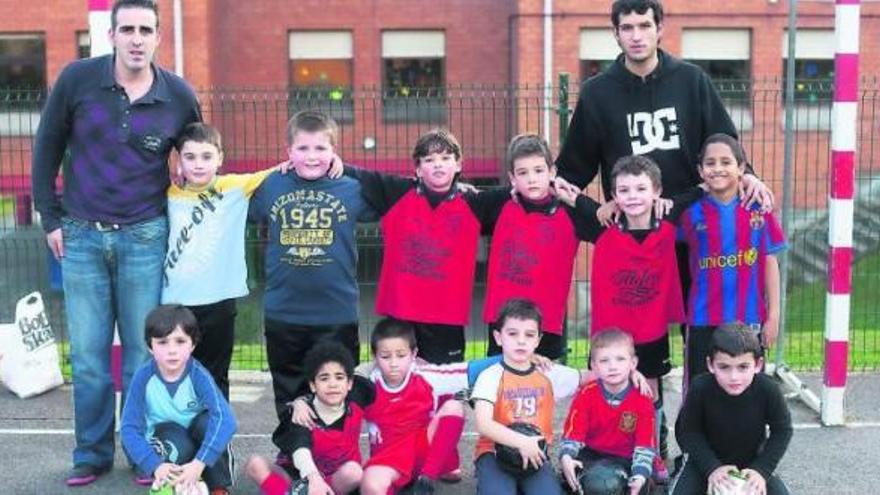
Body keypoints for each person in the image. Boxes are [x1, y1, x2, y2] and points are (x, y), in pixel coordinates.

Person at [30, 0, 201, 485]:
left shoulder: (178, 95)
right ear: (112, 35)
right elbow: (46, 147)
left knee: (142, 359)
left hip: (146, 237)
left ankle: (145, 456)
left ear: (158, 37)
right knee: (87, 358)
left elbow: (197, 155)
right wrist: (50, 218)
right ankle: (91, 453)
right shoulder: (77, 80)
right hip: (81, 235)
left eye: (145, 29)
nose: (136, 38)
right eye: (126, 28)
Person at [555, 154, 701, 480]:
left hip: (651, 330)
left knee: (648, 395)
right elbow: (567, 194)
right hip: (614, 334)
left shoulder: (669, 222)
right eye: (624, 189)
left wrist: (748, 178)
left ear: (657, 192)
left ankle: (654, 454)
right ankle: (606, 447)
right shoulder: (602, 224)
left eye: (640, 188)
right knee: (611, 388)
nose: (632, 196)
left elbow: (699, 190)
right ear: (613, 195)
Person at [247, 110, 377, 465]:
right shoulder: (272, 186)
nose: (311, 156)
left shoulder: (350, 188)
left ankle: (334, 452)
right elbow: (227, 191)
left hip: (335, 313)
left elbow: (392, 193)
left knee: (334, 389)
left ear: (334, 151)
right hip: (284, 313)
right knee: (289, 388)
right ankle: (292, 451)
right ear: (288, 151)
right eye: (302, 148)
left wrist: (348, 168)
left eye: (321, 148)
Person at [342, 128, 508, 364]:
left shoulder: (475, 203)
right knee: (398, 381)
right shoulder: (397, 193)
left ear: (459, 164)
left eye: (445, 158)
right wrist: (324, 161)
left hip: (446, 319)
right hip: (401, 314)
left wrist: (555, 182)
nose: (438, 165)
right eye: (429, 160)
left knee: (445, 388)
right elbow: (356, 174)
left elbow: (520, 191)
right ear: (418, 169)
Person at [162, 123, 275, 398]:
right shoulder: (167, 194)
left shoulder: (234, 187)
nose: (198, 164)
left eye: (206, 156)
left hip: (219, 301)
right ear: (178, 159)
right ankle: (181, 438)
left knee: (215, 377)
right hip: (176, 302)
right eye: (190, 157)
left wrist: (328, 158)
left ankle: (218, 438)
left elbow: (284, 169)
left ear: (220, 158)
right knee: (177, 376)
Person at [482, 134, 607, 360]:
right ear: (512, 178)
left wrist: (577, 200)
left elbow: (610, 232)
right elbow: (459, 205)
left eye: (539, 171)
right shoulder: (499, 204)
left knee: (544, 390)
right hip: (503, 322)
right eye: (523, 173)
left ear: (552, 172)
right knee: (502, 389)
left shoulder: (570, 212)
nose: (531, 179)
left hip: (545, 324)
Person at [679, 134, 786, 383]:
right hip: (702, 319)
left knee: (747, 391)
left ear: (741, 168)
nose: (718, 169)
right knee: (700, 390)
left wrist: (773, 316)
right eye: (710, 163)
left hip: (748, 319)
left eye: (726, 162)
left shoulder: (758, 208)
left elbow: (770, 262)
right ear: (700, 171)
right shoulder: (690, 213)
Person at [471, 298, 599, 495]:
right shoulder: (490, 376)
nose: (521, 340)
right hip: (495, 452)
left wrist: (632, 372)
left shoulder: (548, 374)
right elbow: (483, 424)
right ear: (498, 337)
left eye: (529, 335)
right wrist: (521, 442)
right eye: (512, 334)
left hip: (536, 454)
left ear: (538, 340)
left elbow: (589, 376)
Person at [120, 304, 237, 495]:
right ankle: (170, 484)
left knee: (209, 423)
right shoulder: (143, 377)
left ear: (193, 345)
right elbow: (128, 429)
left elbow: (226, 420)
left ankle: (217, 487)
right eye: (163, 342)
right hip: (165, 438)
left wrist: (199, 463)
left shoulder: (199, 375)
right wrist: (155, 465)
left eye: (180, 341)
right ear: (150, 346)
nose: (172, 350)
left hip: (197, 443)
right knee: (176, 443)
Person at [672, 323, 793, 495]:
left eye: (743, 367)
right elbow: (689, 432)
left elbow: (782, 430)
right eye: (724, 367)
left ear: (758, 365)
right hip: (704, 462)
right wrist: (712, 468)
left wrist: (761, 470)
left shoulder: (768, 389)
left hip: (752, 462)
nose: (734, 377)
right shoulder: (700, 388)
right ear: (711, 364)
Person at [246, 341, 371, 495]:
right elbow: (300, 449)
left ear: (350, 383)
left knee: (354, 472)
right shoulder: (303, 411)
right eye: (324, 378)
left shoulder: (357, 398)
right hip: (299, 478)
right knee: (255, 463)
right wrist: (312, 477)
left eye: (339, 377)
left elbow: (373, 364)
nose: (333, 384)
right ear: (313, 385)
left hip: (335, 480)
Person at [559, 329, 656, 495]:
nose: (613, 366)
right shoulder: (586, 394)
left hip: (627, 459)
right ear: (594, 366)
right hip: (592, 456)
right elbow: (573, 434)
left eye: (620, 359)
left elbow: (645, 445)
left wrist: (640, 474)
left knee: (643, 483)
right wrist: (566, 456)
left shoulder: (642, 398)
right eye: (604, 361)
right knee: (571, 480)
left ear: (633, 364)